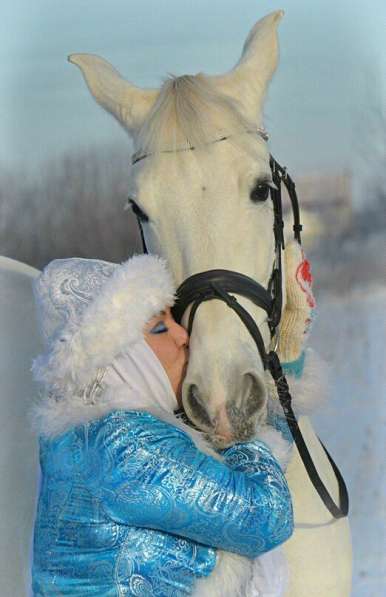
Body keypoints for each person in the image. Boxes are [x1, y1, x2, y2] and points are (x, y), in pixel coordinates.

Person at [31, 254, 294, 596]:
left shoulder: (86, 439)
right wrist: (232, 417)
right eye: (159, 327)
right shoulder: (124, 443)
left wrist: (288, 356)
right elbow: (266, 516)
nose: (183, 336)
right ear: (120, 356)